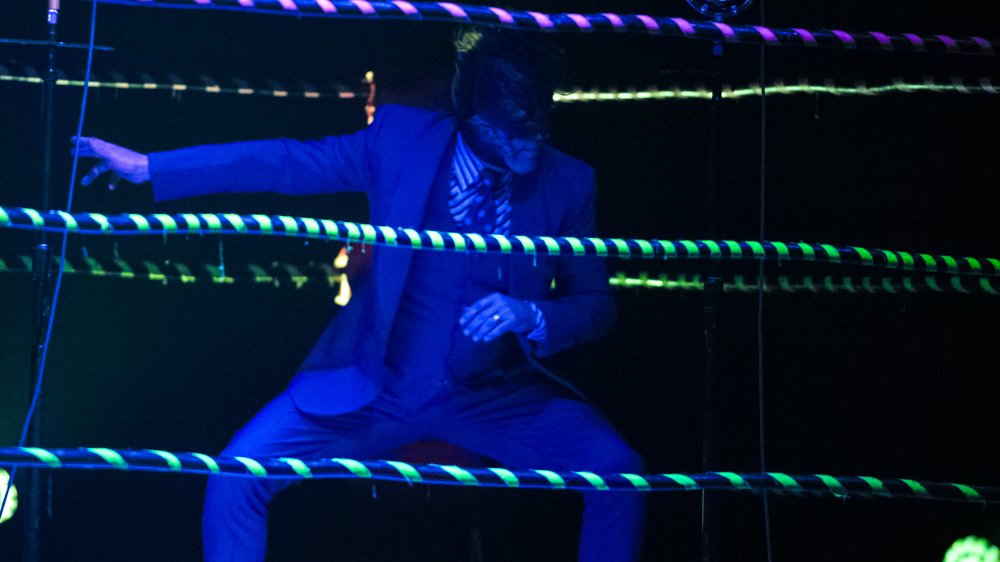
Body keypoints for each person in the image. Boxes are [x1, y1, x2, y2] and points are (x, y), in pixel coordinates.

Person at [75, 30, 645, 562]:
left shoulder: (569, 181)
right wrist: (152, 167)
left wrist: (533, 314)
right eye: (517, 128)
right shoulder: (399, 142)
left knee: (620, 475)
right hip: (375, 389)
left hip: (494, 397)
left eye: (543, 120)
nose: (534, 140)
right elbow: (286, 160)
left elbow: (596, 305)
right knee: (236, 476)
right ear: (473, 115)